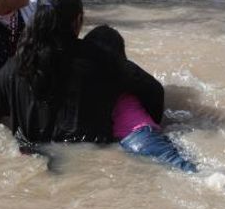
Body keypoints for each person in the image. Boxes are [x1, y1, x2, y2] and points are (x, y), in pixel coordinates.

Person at [0, 0, 164, 145]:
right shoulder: (103, 59)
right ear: (78, 21)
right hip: (94, 154)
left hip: (36, 155)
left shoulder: (17, 66)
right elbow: (155, 91)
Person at [84, 25, 198, 173]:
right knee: (189, 171)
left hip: (125, 141)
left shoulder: (86, 80)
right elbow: (156, 90)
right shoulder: (129, 75)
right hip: (142, 137)